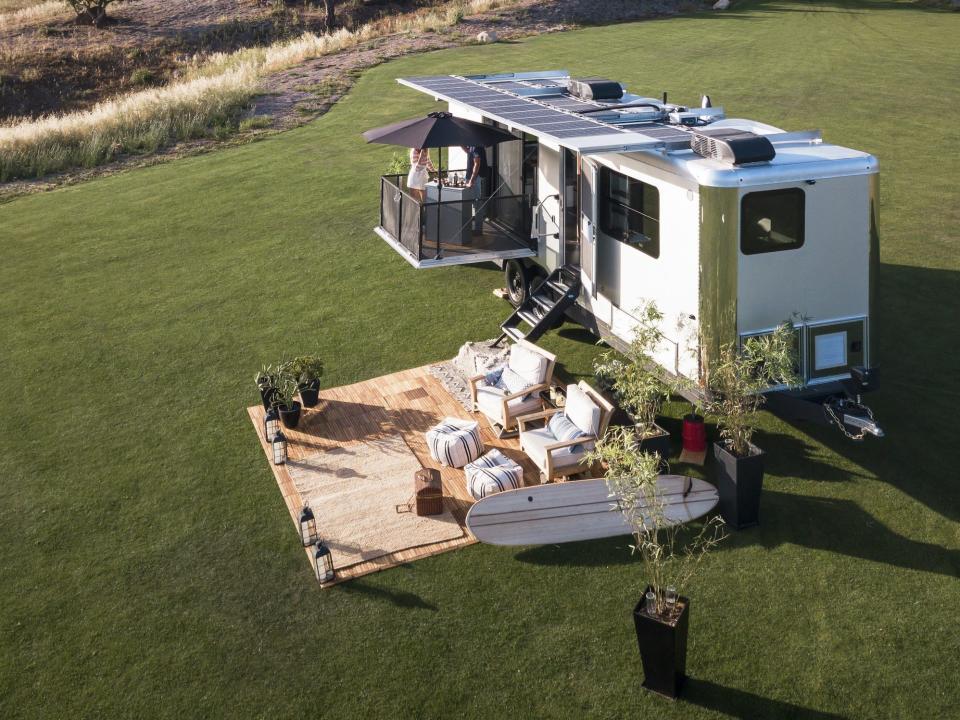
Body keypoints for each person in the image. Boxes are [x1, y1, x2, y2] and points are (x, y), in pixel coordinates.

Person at [462, 145, 489, 234]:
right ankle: (474, 228)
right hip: (471, 177)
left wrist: (471, 180)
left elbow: (477, 163)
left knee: (477, 203)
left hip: (475, 178)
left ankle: (478, 229)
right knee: (473, 202)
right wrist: (460, 144)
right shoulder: (473, 146)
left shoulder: (477, 147)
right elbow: (469, 152)